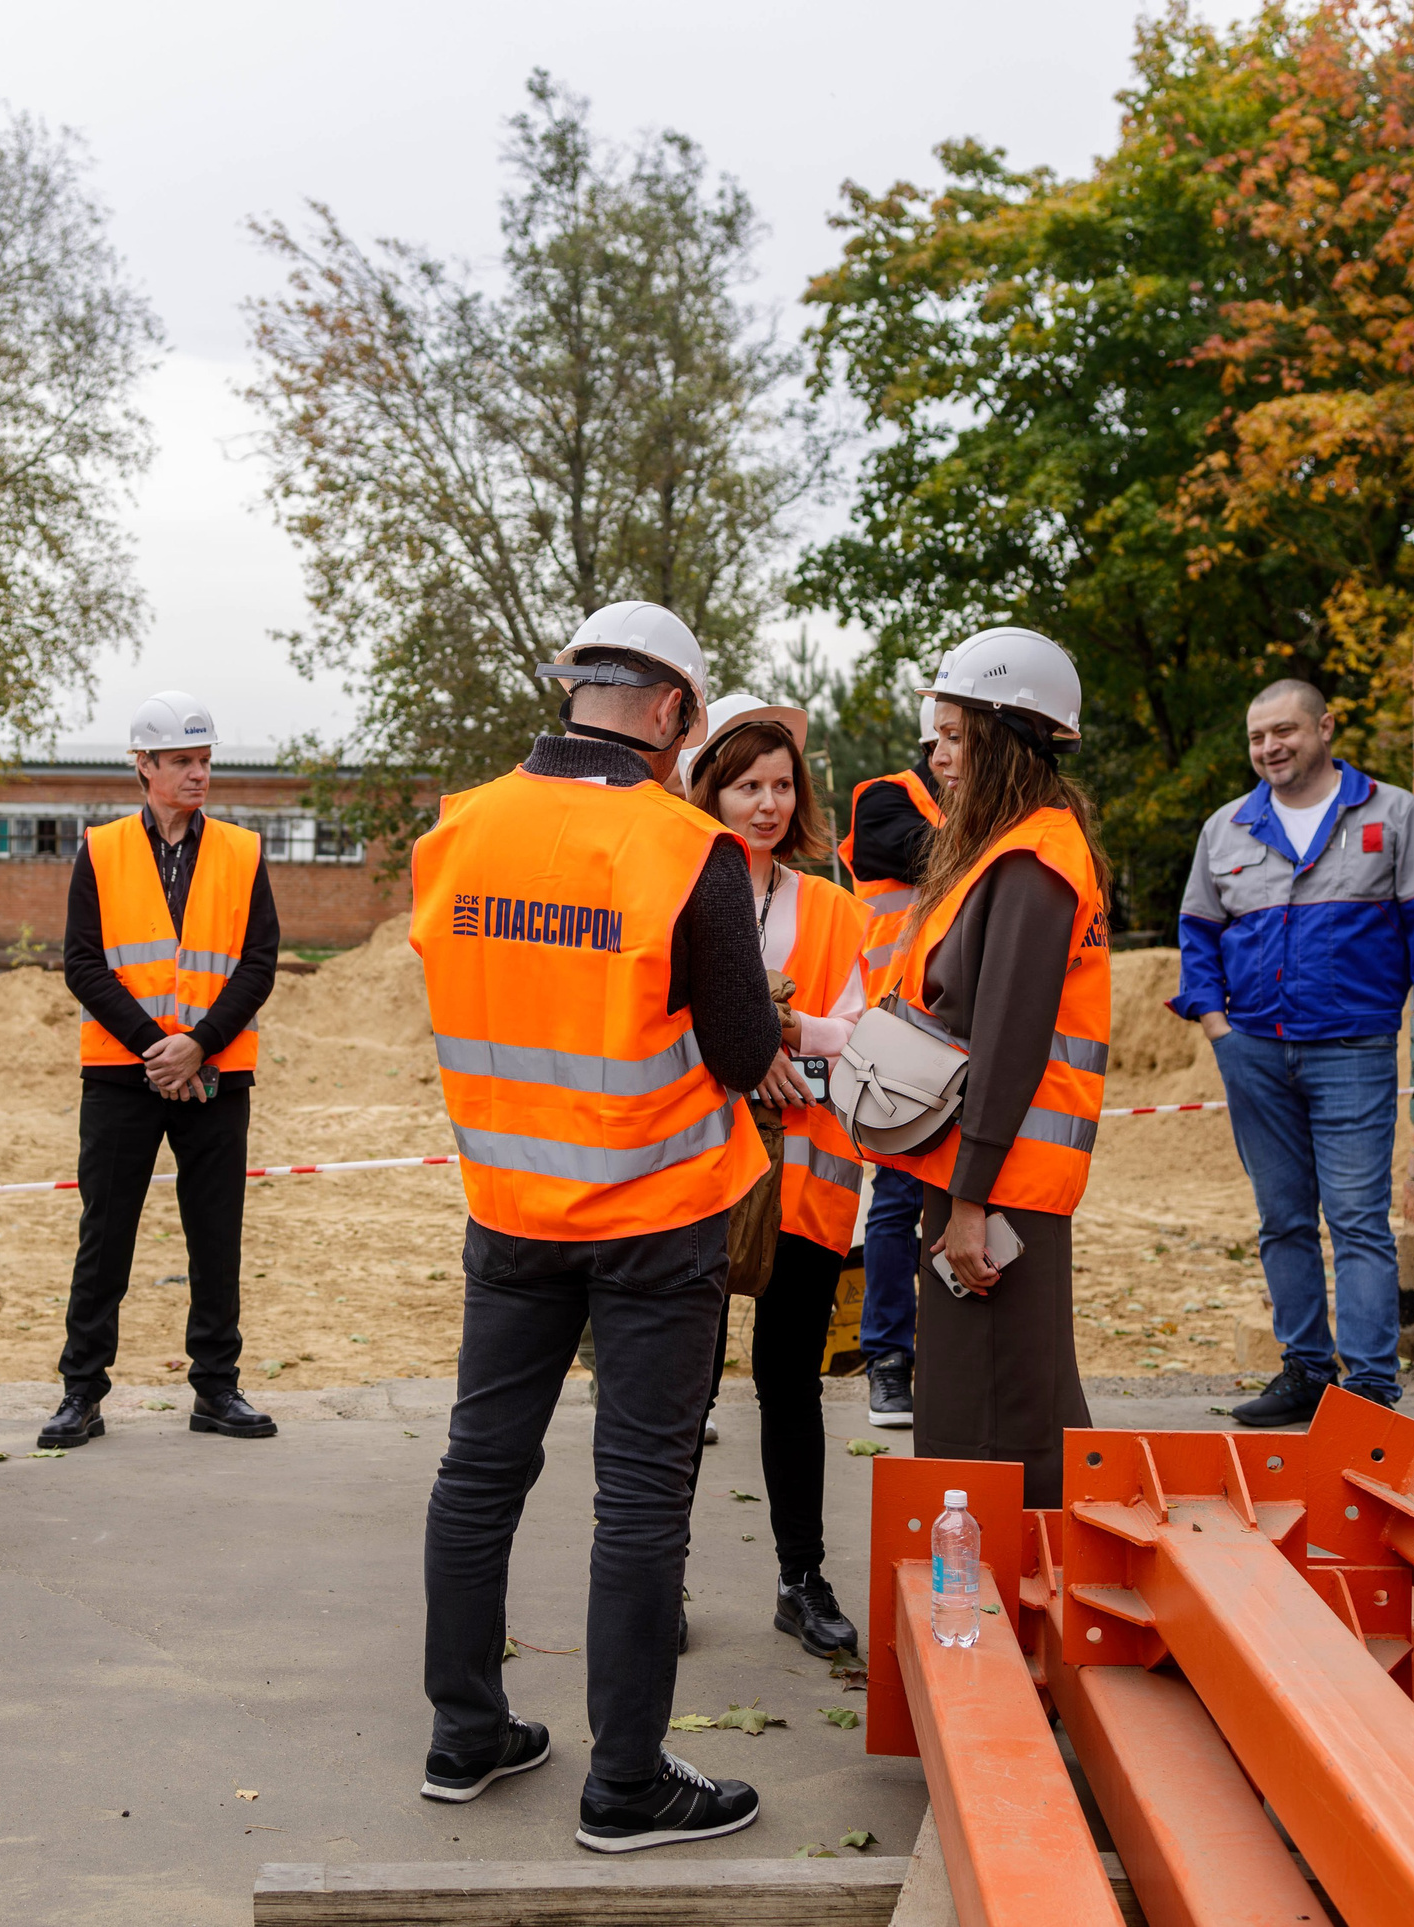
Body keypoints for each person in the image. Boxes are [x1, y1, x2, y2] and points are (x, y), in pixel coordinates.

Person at [412, 602, 776, 1854]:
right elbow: (743, 1051)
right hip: (656, 1218)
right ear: (672, 711)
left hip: (508, 1207)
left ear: (575, 690)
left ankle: (465, 1733)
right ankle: (624, 1787)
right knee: (639, 1498)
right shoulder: (685, 848)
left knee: (478, 1471)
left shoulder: (458, 829)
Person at [1173, 679, 1414, 1425]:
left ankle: (1368, 1389)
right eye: (1257, 737)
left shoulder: (1392, 815)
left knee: (1357, 1219)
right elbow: (1198, 935)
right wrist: (1217, 1029)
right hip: (1254, 1051)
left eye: (1285, 731)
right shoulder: (1227, 828)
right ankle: (1305, 1370)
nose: (1270, 747)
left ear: (1325, 727)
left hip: (1353, 1051)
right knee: (1282, 1220)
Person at [870, 628, 1109, 1509]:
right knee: (997, 1400)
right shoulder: (1013, 848)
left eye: (954, 736)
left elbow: (1010, 1042)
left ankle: (1007, 1583)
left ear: (1007, 739)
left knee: (1003, 1417)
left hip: (1001, 1186)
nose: (935, 755)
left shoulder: (1033, 862)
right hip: (987, 1173)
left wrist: (970, 1199)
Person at [679, 695, 869, 1660]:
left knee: (789, 1381)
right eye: (747, 785)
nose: (767, 803)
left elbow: (865, 1032)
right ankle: (657, 1578)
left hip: (804, 1180)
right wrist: (744, 1049)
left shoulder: (834, 910)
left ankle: (802, 1578)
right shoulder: (677, 893)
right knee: (683, 1388)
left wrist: (788, 1033)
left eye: (782, 785)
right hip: (699, 1178)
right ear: (710, 793)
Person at [42, 691, 280, 1449]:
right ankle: (81, 1391)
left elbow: (259, 962)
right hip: (123, 1075)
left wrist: (199, 1044)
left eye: (204, 760)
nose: (198, 774)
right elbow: (83, 963)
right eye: (182, 761)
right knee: (104, 1236)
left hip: (216, 1076)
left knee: (215, 1236)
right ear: (143, 765)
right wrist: (158, 1045)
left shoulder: (243, 852)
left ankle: (217, 1387)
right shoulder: (100, 849)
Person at [838, 692, 961, 1429]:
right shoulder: (886, 800)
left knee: (975, 1201)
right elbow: (942, 857)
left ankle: (954, 1359)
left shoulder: (986, 814)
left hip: (974, 1030)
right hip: (903, 1034)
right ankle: (889, 1357)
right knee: (898, 1202)